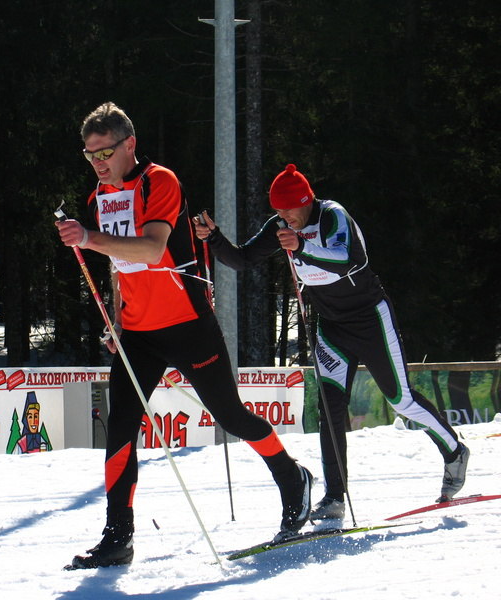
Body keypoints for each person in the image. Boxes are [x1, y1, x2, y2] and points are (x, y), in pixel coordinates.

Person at [55, 103, 313, 569]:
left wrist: (88, 238)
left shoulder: (160, 181)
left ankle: (292, 478)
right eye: (90, 154)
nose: (98, 162)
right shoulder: (98, 197)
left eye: (106, 152)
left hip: (187, 324)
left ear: (130, 145)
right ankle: (118, 537)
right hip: (139, 333)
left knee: (231, 416)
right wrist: (118, 318)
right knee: (120, 428)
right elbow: (120, 265)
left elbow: (153, 248)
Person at [193, 163, 470, 520]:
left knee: (400, 399)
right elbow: (243, 259)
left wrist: (301, 247)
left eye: (289, 210)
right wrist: (214, 238)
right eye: (278, 210)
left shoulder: (333, 215)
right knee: (330, 409)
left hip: (370, 319)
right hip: (332, 327)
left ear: (306, 201)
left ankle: (454, 451)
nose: (284, 217)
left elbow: (348, 261)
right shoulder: (281, 226)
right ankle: (334, 496)